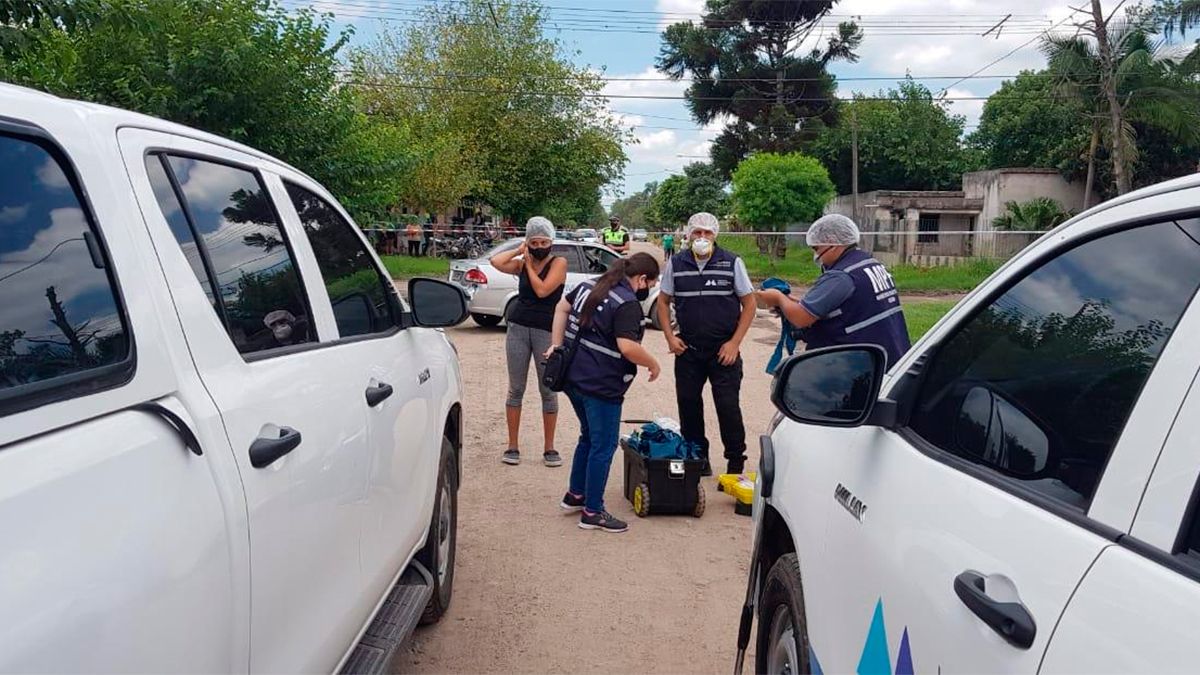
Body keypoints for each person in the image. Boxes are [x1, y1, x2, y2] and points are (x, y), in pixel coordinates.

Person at [549, 252, 661, 533]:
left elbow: (561, 308)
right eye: (650, 283)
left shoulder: (590, 285)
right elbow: (627, 347)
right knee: (603, 444)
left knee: (588, 436)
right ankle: (592, 512)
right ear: (642, 279)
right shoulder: (627, 304)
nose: (647, 289)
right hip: (600, 384)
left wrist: (557, 345)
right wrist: (652, 362)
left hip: (573, 378)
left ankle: (576, 494)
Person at [656, 212, 757, 476]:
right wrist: (670, 336)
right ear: (688, 235)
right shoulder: (676, 264)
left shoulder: (732, 262)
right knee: (688, 405)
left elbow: (749, 304)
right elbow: (663, 302)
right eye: (697, 233)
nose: (701, 238)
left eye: (707, 233)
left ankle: (735, 463)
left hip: (724, 351)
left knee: (727, 406)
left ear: (715, 235)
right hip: (688, 350)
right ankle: (698, 459)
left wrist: (734, 343)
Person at [757, 214, 912, 369]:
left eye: (817, 248)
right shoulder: (868, 263)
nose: (816, 256)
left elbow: (801, 318)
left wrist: (778, 298)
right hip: (889, 358)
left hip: (855, 367)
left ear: (832, 243)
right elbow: (842, 305)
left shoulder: (841, 276)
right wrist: (793, 303)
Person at [489, 217, 569, 467]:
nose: (539, 245)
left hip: (546, 330)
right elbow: (496, 262)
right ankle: (512, 446)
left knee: (548, 389)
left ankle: (549, 447)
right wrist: (519, 250)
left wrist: (530, 266)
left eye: (543, 241)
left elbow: (543, 290)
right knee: (516, 388)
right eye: (534, 241)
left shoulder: (559, 262)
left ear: (551, 241)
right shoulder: (523, 262)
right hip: (518, 327)